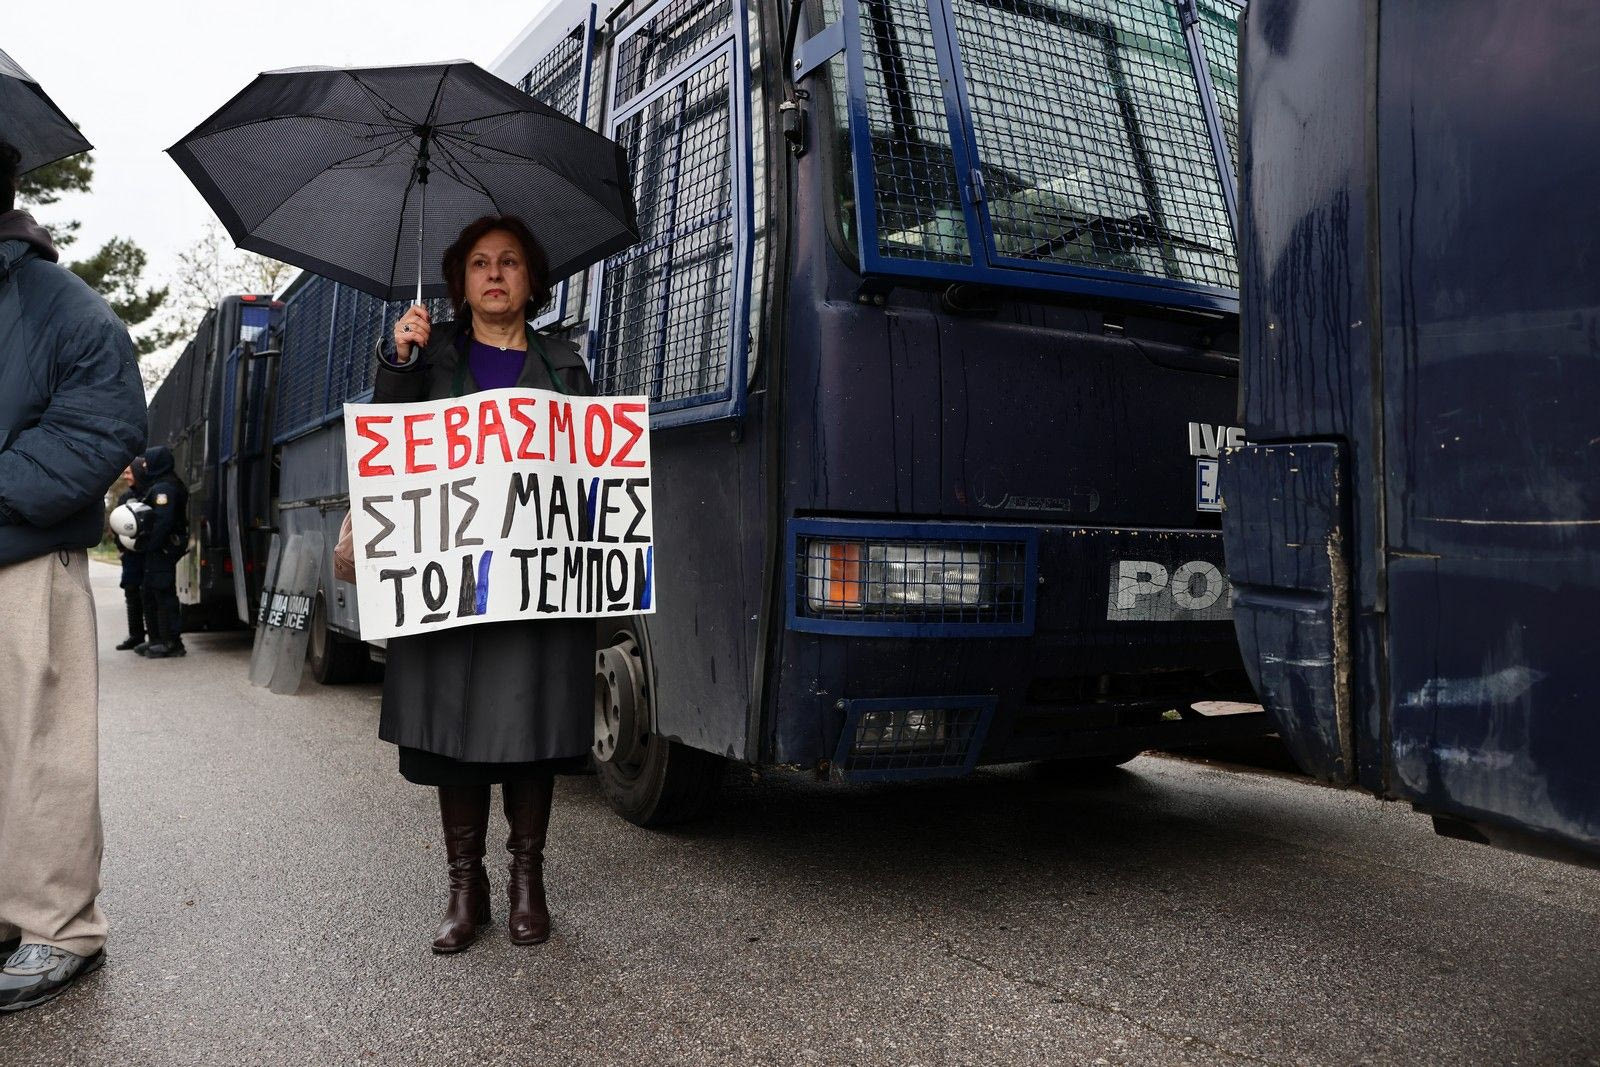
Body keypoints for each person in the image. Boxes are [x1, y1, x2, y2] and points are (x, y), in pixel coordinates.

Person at [374, 215, 592, 954]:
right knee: (454, 734)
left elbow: (593, 477)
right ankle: (466, 889)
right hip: (454, 586)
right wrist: (399, 360)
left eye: (509, 262)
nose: (494, 274)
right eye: (478, 263)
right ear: (459, 282)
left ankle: (527, 879)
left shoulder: (568, 366)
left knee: (532, 729)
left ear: (531, 280)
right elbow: (387, 455)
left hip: (537, 588)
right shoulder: (427, 359)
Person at [0, 140, 146, 1012]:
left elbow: (101, 430)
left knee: (40, 745)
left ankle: (60, 925)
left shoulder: (66, 308)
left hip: (23, 561)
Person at [131, 445, 188, 659]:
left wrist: (149, 545)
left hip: (163, 549)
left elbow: (163, 522)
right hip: (158, 549)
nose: (144, 465)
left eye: (147, 461)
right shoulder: (159, 485)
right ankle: (156, 639)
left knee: (163, 594)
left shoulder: (165, 488)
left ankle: (172, 642)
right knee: (150, 592)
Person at [113, 466, 148, 651]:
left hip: (147, 554)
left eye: (129, 472)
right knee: (131, 593)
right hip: (130, 556)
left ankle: (155, 635)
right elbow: (116, 525)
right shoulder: (125, 498)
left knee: (149, 595)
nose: (125, 476)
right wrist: (121, 549)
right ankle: (136, 635)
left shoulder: (150, 493)